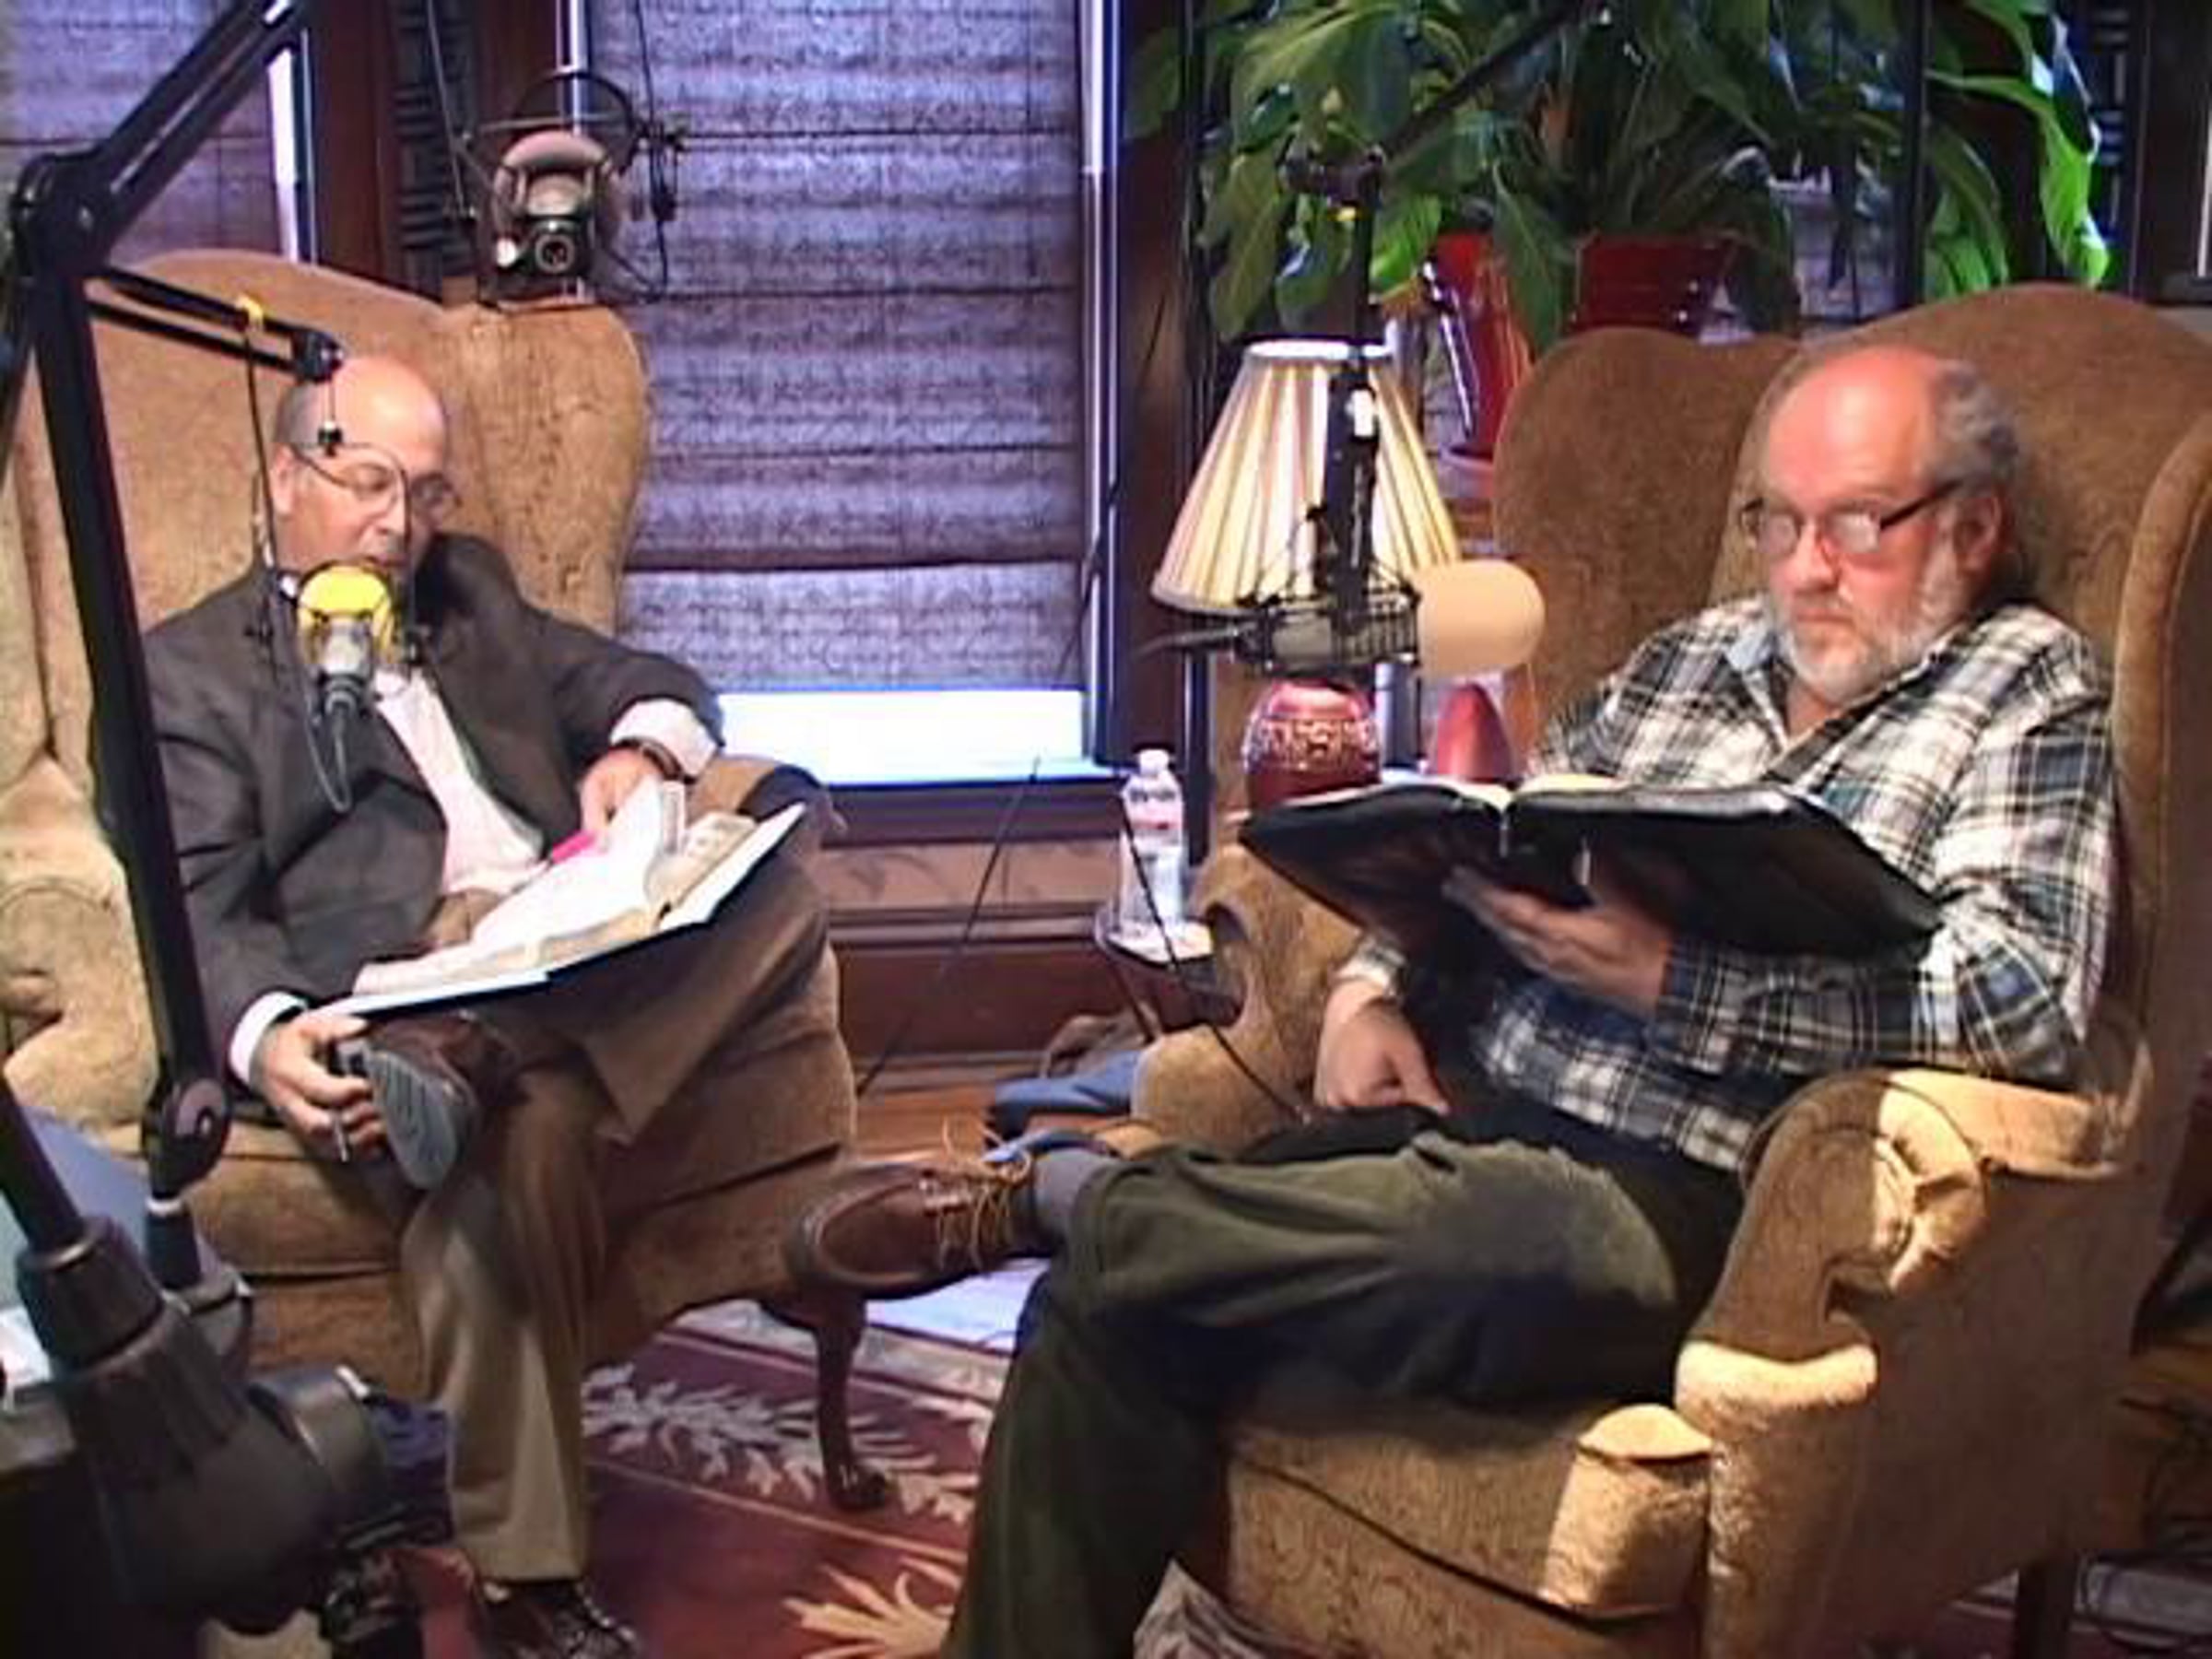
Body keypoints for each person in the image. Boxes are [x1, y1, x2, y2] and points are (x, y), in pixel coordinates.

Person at [783, 343, 2118, 1656]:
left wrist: (1673, 981)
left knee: (1464, 1238)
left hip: (1683, 1184)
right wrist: (1371, 990)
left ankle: (1067, 1199)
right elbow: (1504, 843)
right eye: (1779, 523)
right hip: (1470, 1106)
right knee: (1106, 1308)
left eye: (1857, 526)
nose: (1804, 568)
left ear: (1975, 527)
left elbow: (2020, 1000)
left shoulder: (2023, 693)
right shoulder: (1690, 663)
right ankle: (1092, 1228)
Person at [145, 355, 840, 1659]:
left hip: (558, 944)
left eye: (424, 493)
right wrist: (267, 1034)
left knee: (785, 877)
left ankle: (484, 1056)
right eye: (366, 484)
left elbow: (653, 677)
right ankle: (529, 1582)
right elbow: (193, 905)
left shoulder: (467, 594)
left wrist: (639, 749)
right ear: (285, 476)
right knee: (533, 1145)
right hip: (397, 989)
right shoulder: (190, 671)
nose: (397, 525)